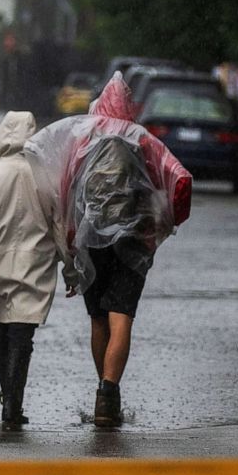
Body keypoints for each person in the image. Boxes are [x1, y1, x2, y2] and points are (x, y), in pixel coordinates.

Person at [24, 73, 192, 427]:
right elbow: (181, 180)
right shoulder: (143, 141)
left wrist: (72, 243)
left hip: (90, 240)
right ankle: (109, 390)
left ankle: (104, 396)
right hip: (133, 241)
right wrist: (166, 222)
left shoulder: (83, 138)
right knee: (122, 317)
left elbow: (66, 189)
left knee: (99, 319)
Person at [0, 111, 77, 429]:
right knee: (23, 337)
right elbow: (60, 227)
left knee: (2, 333)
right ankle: (13, 403)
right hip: (35, 268)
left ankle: (8, 399)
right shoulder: (46, 177)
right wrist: (72, 271)